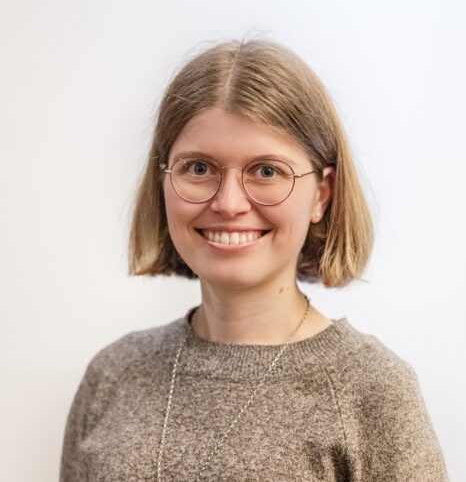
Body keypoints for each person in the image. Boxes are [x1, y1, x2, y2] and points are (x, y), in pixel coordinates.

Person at [59, 39, 449, 481]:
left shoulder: (372, 391)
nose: (228, 204)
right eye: (199, 168)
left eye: (266, 171)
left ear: (321, 195)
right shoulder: (114, 375)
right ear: (163, 180)